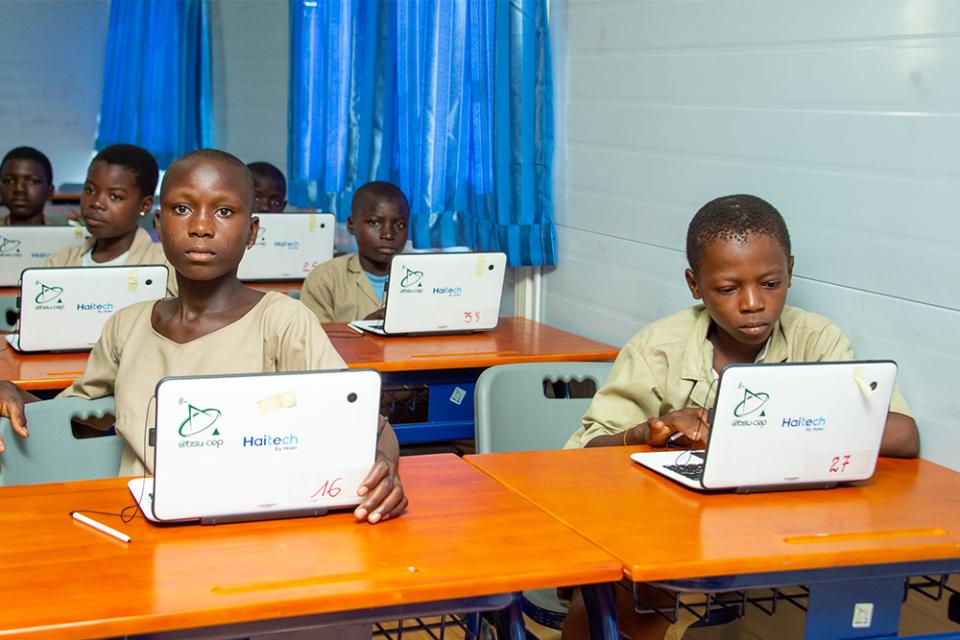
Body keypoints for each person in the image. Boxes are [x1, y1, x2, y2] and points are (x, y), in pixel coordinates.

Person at [561, 194, 920, 640]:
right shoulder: (658, 348)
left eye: (770, 283)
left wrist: (772, 426)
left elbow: (905, 436)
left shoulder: (818, 340)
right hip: (668, 533)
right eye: (728, 289)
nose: (752, 303)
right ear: (695, 284)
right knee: (618, 588)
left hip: (778, 528)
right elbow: (585, 453)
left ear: (790, 269)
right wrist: (643, 433)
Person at [0, 149, 406, 524]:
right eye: (181, 208)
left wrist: (384, 469)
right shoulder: (126, 326)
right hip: (138, 525)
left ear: (252, 231)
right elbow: (75, 419)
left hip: (250, 527)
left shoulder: (282, 322)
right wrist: (15, 395)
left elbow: (372, 425)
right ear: (158, 224)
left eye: (224, 211)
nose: (200, 227)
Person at [44, 144, 177, 297]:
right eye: (90, 190)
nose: (96, 203)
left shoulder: (167, 267)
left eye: (115, 196)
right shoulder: (58, 263)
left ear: (144, 206)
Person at [300, 181, 409, 323]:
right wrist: (362, 328)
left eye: (400, 224)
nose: (388, 235)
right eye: (375, 222)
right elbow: (315, 340)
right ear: (351, 225)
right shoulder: (325, 279)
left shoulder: (424, 279)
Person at [0, 147, 55, 226]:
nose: (19, 189)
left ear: (49, 192)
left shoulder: (67, 237)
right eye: (8, 181)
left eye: (33, 181)